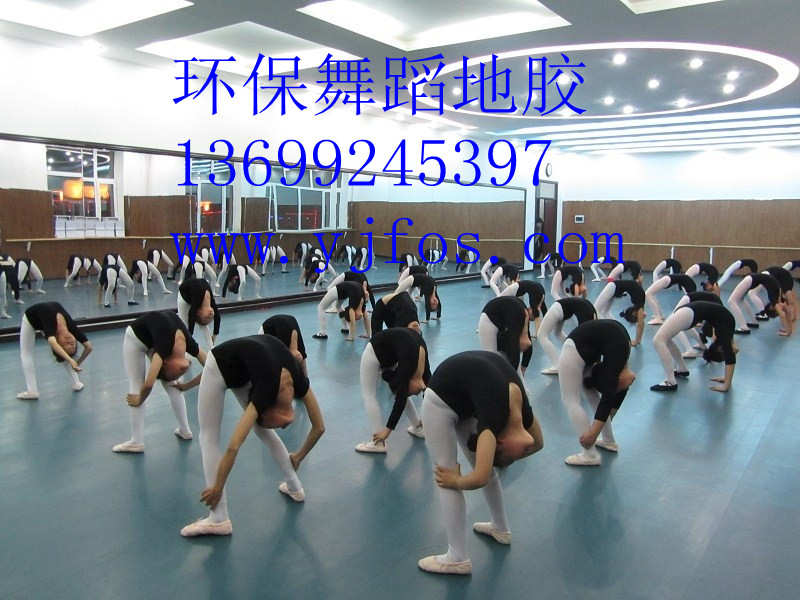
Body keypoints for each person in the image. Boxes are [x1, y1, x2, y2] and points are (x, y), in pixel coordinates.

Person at [180, 335, 325, 537]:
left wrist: (299, 456)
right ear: (266, 409)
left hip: (248, 365)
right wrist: (217, 488)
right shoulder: (266, 392)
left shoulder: (297, 379)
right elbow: (234, 445)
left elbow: (319, 427)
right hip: (220, 365)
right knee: (208, 436)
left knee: (256, 430)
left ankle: (221, 519)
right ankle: (219, 516)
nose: (284, 427)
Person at [418, 351, 544, 575]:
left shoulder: (518, 414)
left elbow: (538, 445)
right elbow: (481, 476)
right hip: (439, 401)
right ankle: (461, 554)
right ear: (499, 441)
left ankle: (493, 534)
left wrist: (457, 480)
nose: (517, 457)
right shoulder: (494, 423)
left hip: (467, 395)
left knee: (455, 475)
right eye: (510, 458)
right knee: (445, 473)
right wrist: (455, 480)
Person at [113, 311, 207, 453]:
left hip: (156, 333)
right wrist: (139, 399)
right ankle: (136, 442)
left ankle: (185, 430)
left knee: (172, 384)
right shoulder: (163, 350)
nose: (181, 373)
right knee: (136, 384)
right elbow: (148, 383)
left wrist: (185, 386)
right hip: (135, 338)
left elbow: (210, 369)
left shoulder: (189, 344)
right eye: (175, 374)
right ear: (165, 362)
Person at [558, 320, 636, 466]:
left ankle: (590, 454)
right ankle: (608, 440)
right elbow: (609, 397)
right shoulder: (618, 359)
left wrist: (594, 433)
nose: (631, 382)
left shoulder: (621, 361)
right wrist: (594, 433)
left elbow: (612, 400)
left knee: (571, 400)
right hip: (574, 348)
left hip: (587, 348)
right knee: (578, 397)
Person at [355, 328, 430, 453]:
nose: (414, 394)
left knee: (401, 391)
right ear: (411, 379)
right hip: (374, 351)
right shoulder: (409, 364)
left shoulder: (424, 370)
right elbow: (400, 398)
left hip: (392, 351)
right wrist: (386, 432)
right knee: (369, 394)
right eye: (412, 392)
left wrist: (426, 418)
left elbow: (430, 392)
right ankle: (378, 442)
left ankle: (418, 427)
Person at [650, 301, 737, 392]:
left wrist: (727, 379)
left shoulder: (725, 330)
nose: (726, 355)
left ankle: (671, 380)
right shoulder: (725, 331)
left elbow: (732, 352)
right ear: (720, 349)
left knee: (659, 340)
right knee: (660, 340)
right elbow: (731, 356)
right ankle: (679, 372)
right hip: (689, 313)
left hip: (689, 312)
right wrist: (726, 385)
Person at [16, 302, 93, 400]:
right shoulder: (72, 329)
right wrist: (73, 361)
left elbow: (53, 342)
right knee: (26, 353)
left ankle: (76, 382)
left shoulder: (51, 330)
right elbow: (89, 347)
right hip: (31, 317)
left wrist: (76, 363)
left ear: (57, 338)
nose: (69, 341)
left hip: (43, 319)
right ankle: (32, 391)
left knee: (26, 353)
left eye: (65, 344)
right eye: (73, 344)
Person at [477, 296, 533, 379]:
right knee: (492, 358)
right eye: (522, 350)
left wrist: (522, 371)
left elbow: (526, 353)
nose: (522, 351)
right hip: (488, 320)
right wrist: (512, 380)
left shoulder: (524, 319)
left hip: (502, 318)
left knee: (508, 358)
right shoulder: (519, 319)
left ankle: (520, 386)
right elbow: (514, 355)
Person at [538, 297, 597, 374]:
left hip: (561, 308)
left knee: (541, 336)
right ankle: (572, 350)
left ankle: (557, 365)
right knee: (557, 333)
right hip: (568, 308)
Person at [593, 279, 646, 346]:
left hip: (614, 288)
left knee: (600, 311)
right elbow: (641, 325)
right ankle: (614, 329)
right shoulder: (639, 303)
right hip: (613, 287)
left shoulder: (639, 304)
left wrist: (637, 341)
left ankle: (614, 329)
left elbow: (641, 324)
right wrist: (636, 341)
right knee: (597, 311)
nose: (644, 316)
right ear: (635, 313)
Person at [178, 278, 220, 348]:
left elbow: (217, 318)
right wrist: (190, 337)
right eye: (210, 318)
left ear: (199, 312)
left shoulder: (200, 302)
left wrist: (214, 336)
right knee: (184, 324)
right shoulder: (208, 301)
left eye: (207, 317)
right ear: (199, 311)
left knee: (203, 326)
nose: (211, 315)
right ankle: (185, 348)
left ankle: (212, 347)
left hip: (193, 292)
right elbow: (191, 315)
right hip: (183, 295)